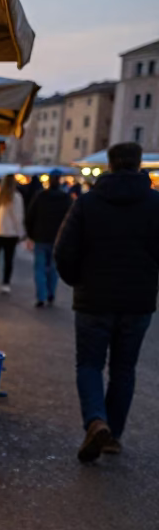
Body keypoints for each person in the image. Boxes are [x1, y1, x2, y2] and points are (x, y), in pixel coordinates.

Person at [54, 142, 159, 462]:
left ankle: (96, 421)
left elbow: (63, 251)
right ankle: (112, 435)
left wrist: (78, 281)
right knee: (124, 369)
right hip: (137, 300)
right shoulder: (156, 203)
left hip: (93, 299)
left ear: (109, 165)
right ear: (139, 163)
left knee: (89, 364)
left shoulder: (87, 203)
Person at [25, 173, 72, 308]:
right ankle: (51, 293)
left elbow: (30, 216)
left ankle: (41, 296)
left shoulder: (40, 197)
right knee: (53, 268)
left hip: (40, 237)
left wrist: (30, 234)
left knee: (39, 268)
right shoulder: (65, 198)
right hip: (58, 238)